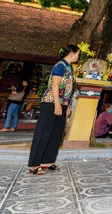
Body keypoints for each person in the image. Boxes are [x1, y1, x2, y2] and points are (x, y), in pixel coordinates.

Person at [28, 45, 79, 175]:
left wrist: (66, 106)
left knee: (56, 134)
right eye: (77, 54)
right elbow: (55, 86)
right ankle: (34, 164)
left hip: (62, 103)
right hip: (51, 102)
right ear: (72, 53)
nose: (78, 56)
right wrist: (57, 104)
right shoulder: (59, 66)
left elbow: (68, 89)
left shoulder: (69, 67)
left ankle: (47, 162)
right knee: (44, 133)